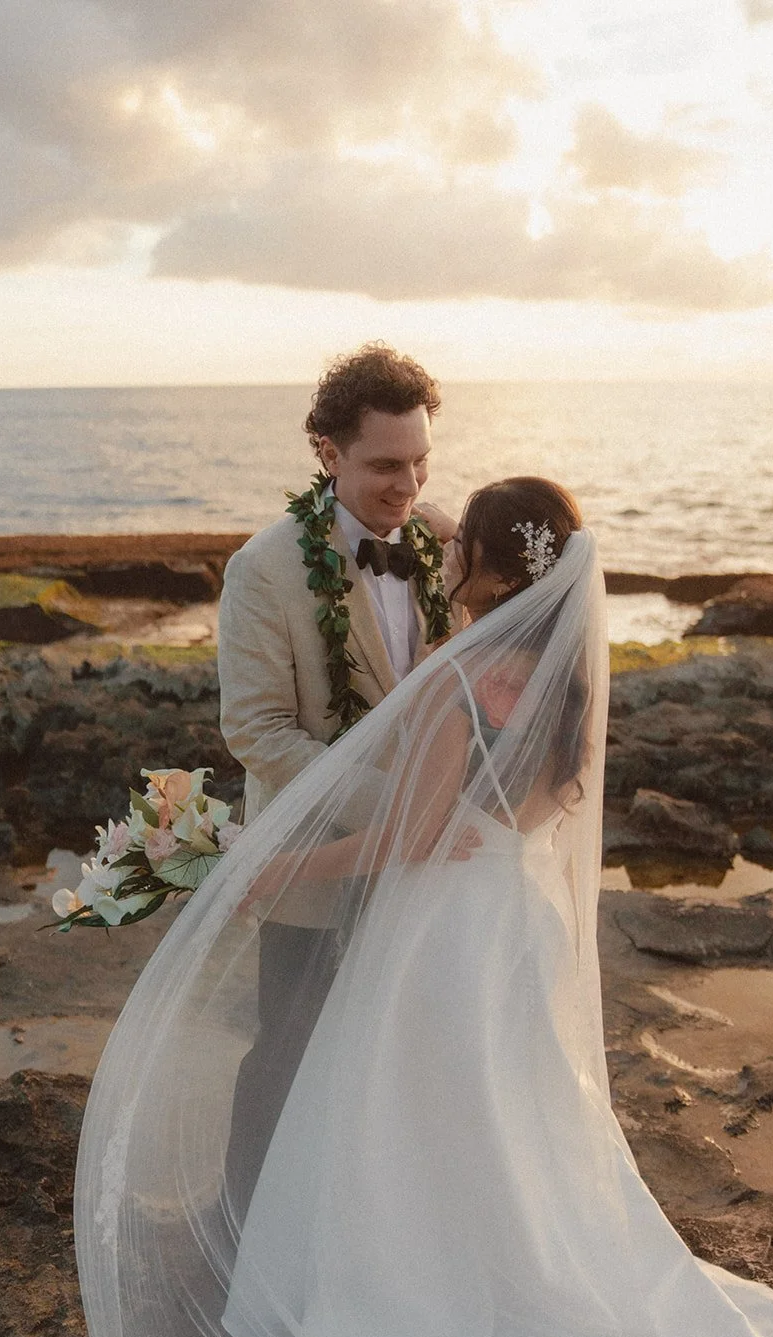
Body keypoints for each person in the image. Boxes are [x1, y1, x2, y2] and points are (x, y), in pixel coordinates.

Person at [76, 477, 773, 1337]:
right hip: (513, 926)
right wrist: (462, 531)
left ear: (479, 558)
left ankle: (435, 1291)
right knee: (510, 1117)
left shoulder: (457, 682)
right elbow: (513, 812)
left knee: (417, 1121)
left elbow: (414, 835)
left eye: (456, 544)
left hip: (440, 937)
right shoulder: (560, 672)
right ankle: (515, 1274)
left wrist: (273, 866)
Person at [216, 342, 457, 1226]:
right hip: (315, 862)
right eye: (385, 464)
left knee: (396, 1055)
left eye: (420, 459)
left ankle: (360, 1226)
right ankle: (243, 1223)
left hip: (427, 867)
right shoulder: (264, 568)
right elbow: (255, 729)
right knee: (288, 1051)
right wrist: (394, 811)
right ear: (326, 452)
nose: (408, 483)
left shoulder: (438, 545)